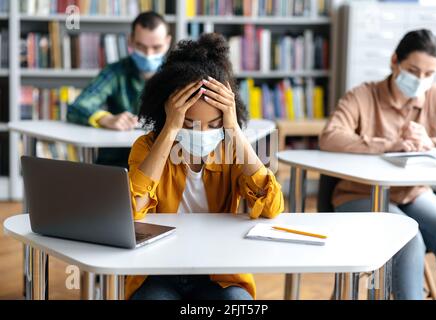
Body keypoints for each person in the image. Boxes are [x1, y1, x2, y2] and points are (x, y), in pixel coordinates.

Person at [125, 33, 284, 300]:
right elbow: (131, 210)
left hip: (218, 271)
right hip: (158, 269)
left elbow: (271, 207)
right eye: (188, 124)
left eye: (213, 125)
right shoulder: (147, 146)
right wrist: (171, 128)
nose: (201, 133)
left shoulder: (231, 148)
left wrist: (233, 128)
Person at [320, 29, 436, 300]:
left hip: (413, 192)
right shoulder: (362, 96)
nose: (421, 80)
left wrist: (430, 142)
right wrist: (389, 144)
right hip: (359, 194)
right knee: (408, 239)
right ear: (394, 61)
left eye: (429, 74)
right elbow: (330, 136)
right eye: (413, 71)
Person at [67, 11, 172, 168]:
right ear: (130, 41)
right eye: (141, 46)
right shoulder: (115, 71)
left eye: (156, 47)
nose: (148, 55)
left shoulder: (178, 74)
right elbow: (77, 107)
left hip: (164, 165)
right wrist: (106, 119)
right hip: (118, 163)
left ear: (168, 42)